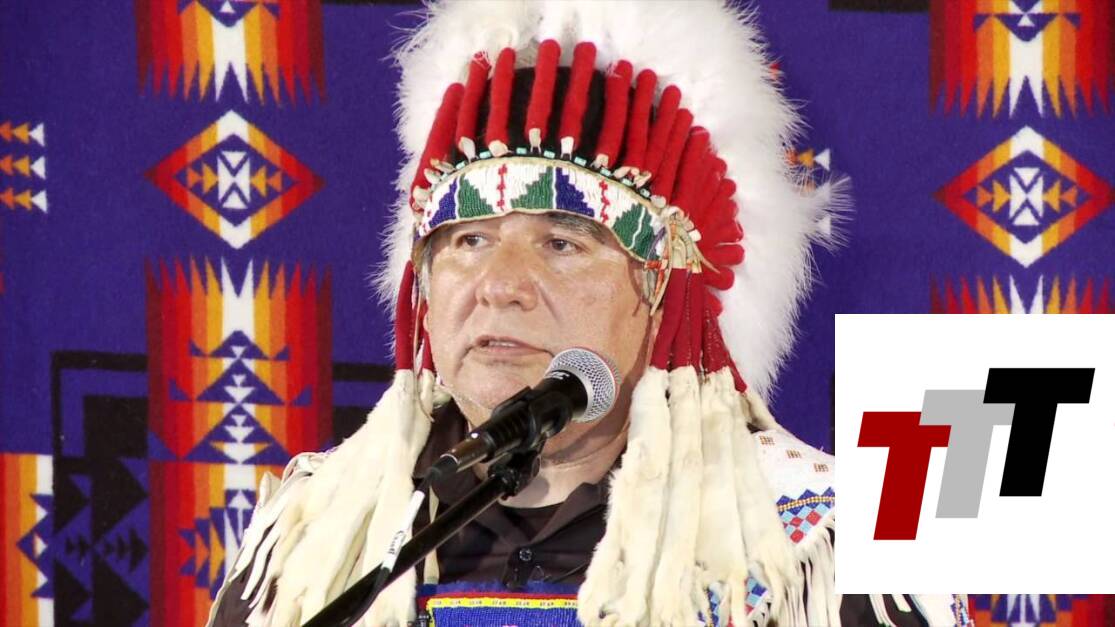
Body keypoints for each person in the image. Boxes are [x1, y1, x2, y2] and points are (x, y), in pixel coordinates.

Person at [208, 1, 970, 625]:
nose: (500, 284)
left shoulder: (810, 541)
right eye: (468, 240)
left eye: (562, 242)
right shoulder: (316, 538)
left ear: (663, 291)